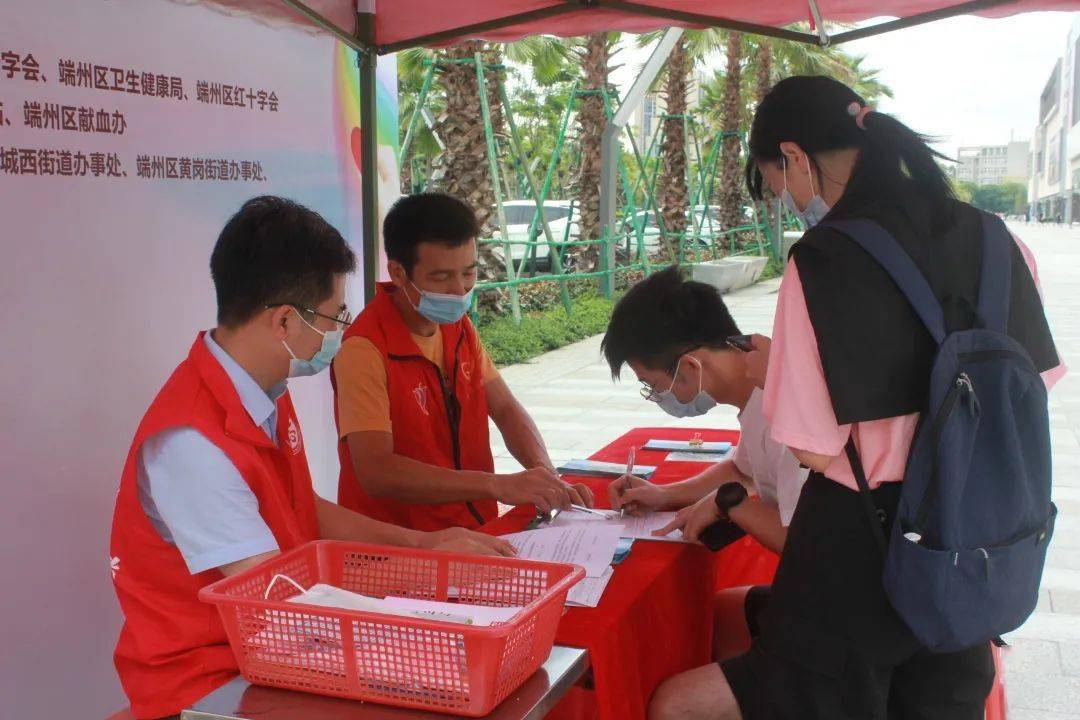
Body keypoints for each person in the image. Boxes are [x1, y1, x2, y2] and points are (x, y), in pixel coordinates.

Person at [649, 76, 1064, 720]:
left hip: (860, 550)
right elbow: (1032, 388)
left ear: (793, 157)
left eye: (776, 179)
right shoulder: (996, 239)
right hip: (975, 537)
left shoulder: (822, 260)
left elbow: (811, 450)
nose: (786, 198)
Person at [109, 196, 514, 720]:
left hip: (272, 650)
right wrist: (426, 584)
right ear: (284, 321)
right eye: (336, 316)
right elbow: (277, 602)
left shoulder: (262, 390)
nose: (342, 330)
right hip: (209, 683)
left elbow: (304, 508)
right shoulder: (193, 444)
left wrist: (428, 546)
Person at [332, 192, 592, 532]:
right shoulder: (365, 349)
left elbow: (506, 409)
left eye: (469, 273)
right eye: (441, 278)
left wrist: (547, 476)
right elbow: (376, 472)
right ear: (398, 273)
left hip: (473, 529)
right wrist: (495, 484)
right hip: (401, 545)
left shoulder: (459, 328)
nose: (459, 290)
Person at [600, 266, 807, 660]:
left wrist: (730, 503)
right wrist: (663, 495)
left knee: (675, 705)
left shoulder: (785, 410)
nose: (659, 396)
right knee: (721, 618)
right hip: (817, 586)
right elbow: (741, 468)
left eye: (654, 385)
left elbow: (803, 544)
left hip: (838, 607)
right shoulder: (756, 393)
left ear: (690, 367)